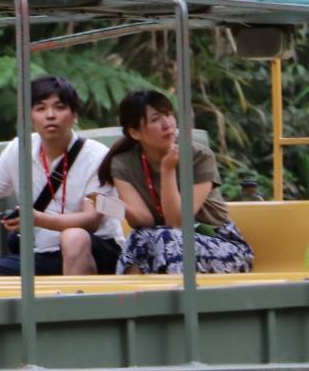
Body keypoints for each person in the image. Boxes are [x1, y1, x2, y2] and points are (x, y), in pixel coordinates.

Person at [0, 75, 118, 278]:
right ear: (29, 117)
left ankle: (76, 309)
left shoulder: (99, 155)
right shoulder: (19, 148)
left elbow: (93, 220)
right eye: (40, 108)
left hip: (98, 250)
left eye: (59, 107)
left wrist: (37, 219)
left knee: (73, 237)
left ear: (74, 115)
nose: (50, 115)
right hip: (43, 254)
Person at [106, 89, 255, 275]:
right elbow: (145, 221)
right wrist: (117, 205)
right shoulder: (123, 163)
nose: (167, 124)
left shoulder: (199, 157)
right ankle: (129, 300)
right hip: (162, 242)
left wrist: (167, 169)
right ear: (135, 133)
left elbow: (177, 222)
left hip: (220, 243)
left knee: (166, 236)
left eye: (168, 114)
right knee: (139, 237)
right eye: (155, 119)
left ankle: (178, 303)